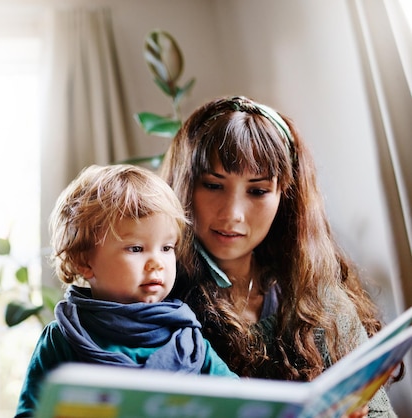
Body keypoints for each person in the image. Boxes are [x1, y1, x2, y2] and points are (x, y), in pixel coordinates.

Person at [160, 95, 400, 417]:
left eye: (257, 191)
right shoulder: (153, 299)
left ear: (284, 198)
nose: (232, 215)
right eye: (213, 185)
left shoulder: (316, 297)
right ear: (185, 185)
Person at [15, 164, 238, 418]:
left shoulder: (186, 339)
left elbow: (238, 403)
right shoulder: (63, 339)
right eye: (136, 248)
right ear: (84, 261)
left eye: (167, 248)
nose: (157, 262)